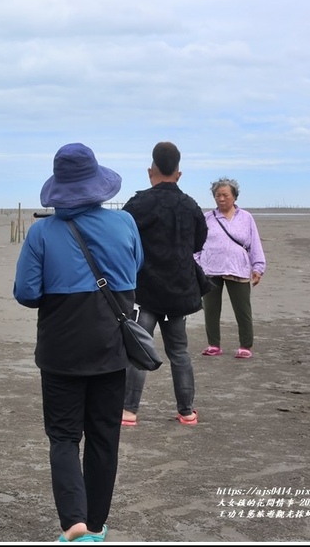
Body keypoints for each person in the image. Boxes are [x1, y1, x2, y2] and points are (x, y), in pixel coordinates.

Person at [14, 143, 144, 543]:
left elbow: (26, 292)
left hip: (60, 351)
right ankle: (97, 525)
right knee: (105, 436)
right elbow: (137, 268)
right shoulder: (125, 224)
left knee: (64, 437)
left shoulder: (41, 233)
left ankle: (74, 522)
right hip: (112, 347)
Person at [120, 142, 207, 427]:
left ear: (151, 171)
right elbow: (198, 242)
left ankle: (129, 411)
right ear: (178, 174)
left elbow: (124, 240)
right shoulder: (190, 205)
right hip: (177, 293)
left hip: (145, 291)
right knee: (179, 352)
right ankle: (187, 411)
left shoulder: (138, 203)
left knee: (138, 349)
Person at [196, 177, 267, 358]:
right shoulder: (207, 218)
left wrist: (258, 268)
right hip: (211, 269)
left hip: (238, 268)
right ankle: (214, 345)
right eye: (218, 195)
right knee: (211, 309)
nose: (221, 199)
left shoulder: (246, 218)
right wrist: (196, 264)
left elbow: (255, 244)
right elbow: (196, 243)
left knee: (242, 309)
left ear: (234, 196)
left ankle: (245, 345)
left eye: (225, 195)